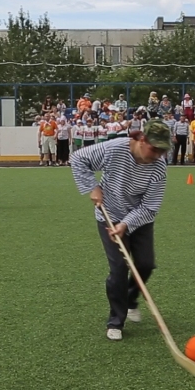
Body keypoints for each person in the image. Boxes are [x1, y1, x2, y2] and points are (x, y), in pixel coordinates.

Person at [70, 120, 171, 341]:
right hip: (109, 214)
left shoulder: (159, 168)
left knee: (145, 264)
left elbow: (150, 207)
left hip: (139, 218)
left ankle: (131, 297)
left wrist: (126, 224)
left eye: (163, 151)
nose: (157, 155)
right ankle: (116, 320)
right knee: (119, 269)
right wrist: (92, 186)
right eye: (155, 149)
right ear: (141, 140)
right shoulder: (114, 149)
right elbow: (78, 159)